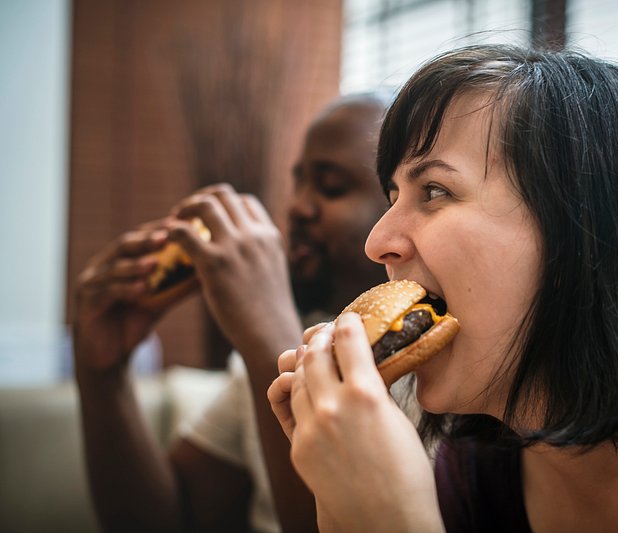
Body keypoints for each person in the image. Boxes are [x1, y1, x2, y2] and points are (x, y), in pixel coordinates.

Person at [269, 44, 618, 532]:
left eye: (434, 190)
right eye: (393, 196)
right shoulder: (482, 459)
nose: (378, 241)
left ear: (583, 238)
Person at [72, 93, 390, 532]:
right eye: (298, 183)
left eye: (331, 186)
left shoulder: (426, 377)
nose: (297, 206)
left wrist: (268, 337)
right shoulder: (264, 358)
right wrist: (102, 373)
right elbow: (171, 519)